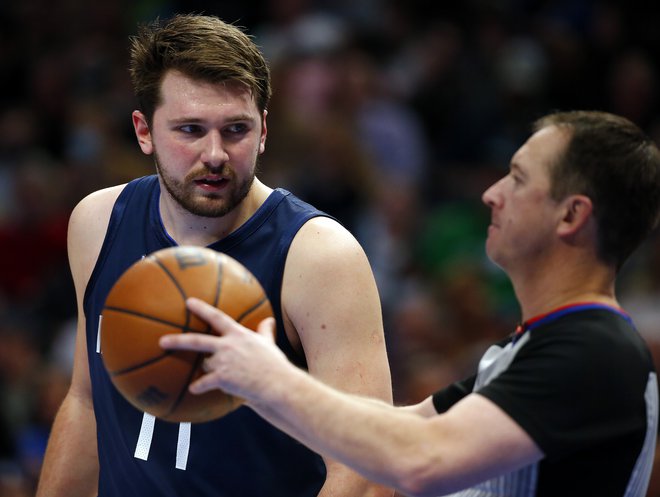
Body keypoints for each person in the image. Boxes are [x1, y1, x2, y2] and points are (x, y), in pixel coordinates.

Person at [161, 110, 660, 496]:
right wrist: (244, 376)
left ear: (572, 214)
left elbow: (419, 459)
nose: (491, 193)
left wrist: (270, 375)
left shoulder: (591, 352)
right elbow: (402, 426)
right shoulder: (546, 344)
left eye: (518, 178)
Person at [36, 14, 393, 497]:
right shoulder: (98, 222)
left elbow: (365, 471)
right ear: (144, 131)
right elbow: (85, 402)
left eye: (235, 130)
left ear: (264, 130)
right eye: (189, 129)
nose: (215, 154)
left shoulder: (320, 257)